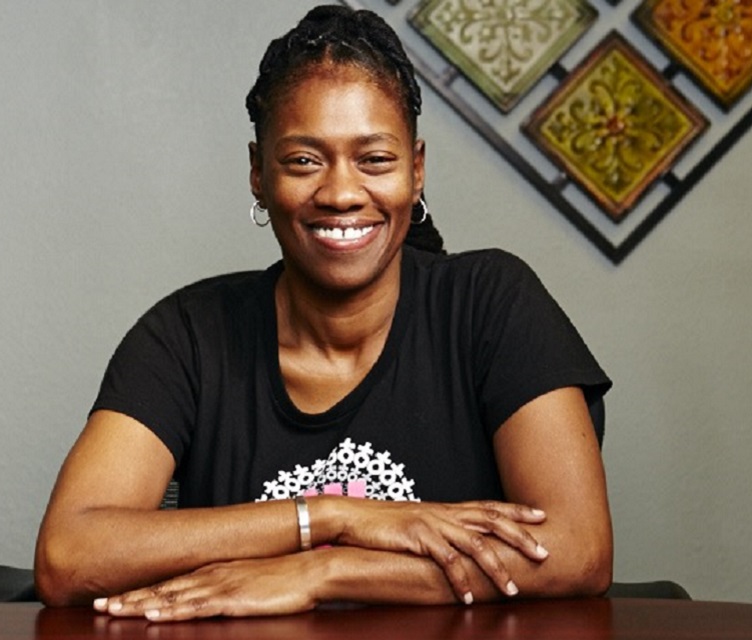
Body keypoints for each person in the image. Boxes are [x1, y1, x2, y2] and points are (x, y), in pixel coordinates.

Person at [34, 5, 613, 621]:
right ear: (258, 173)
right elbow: (69, 555)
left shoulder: (491, 303)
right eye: (304, 161)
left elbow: (578, 549)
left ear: (416, 170)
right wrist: (334, 515)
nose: (340, 193)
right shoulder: (188, 335)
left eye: (375, 160)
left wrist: (324, 569)